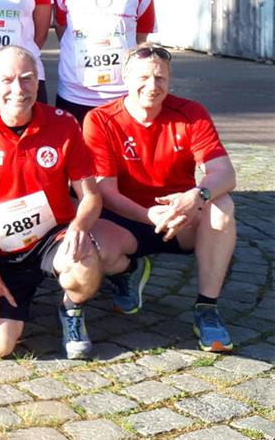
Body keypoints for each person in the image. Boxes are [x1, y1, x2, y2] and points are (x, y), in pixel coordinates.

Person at [0, 46, 133, 360]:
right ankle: (3, 291)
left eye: (27, 79)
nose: (18, 89)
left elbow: (90, 195)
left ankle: (72, 309)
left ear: (38, 82)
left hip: (52, 236)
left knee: (84, 263)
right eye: (7, 80)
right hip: (1, 249)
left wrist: (79, 227)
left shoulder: (63, 123)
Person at [84, 45, 238, 352]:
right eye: (143, 77)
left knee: (222, 207)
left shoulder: (190, 113)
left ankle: (207, 308)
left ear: (169, 79)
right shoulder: (100, 119)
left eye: (160, 78)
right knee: (94, 249)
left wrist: (196, 195)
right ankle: (127, 272)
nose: (152, 86)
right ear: (126, 78)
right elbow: (106, 192)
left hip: (179, 217)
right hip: (125, 218)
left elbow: (225, 174)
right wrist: (148, 215)